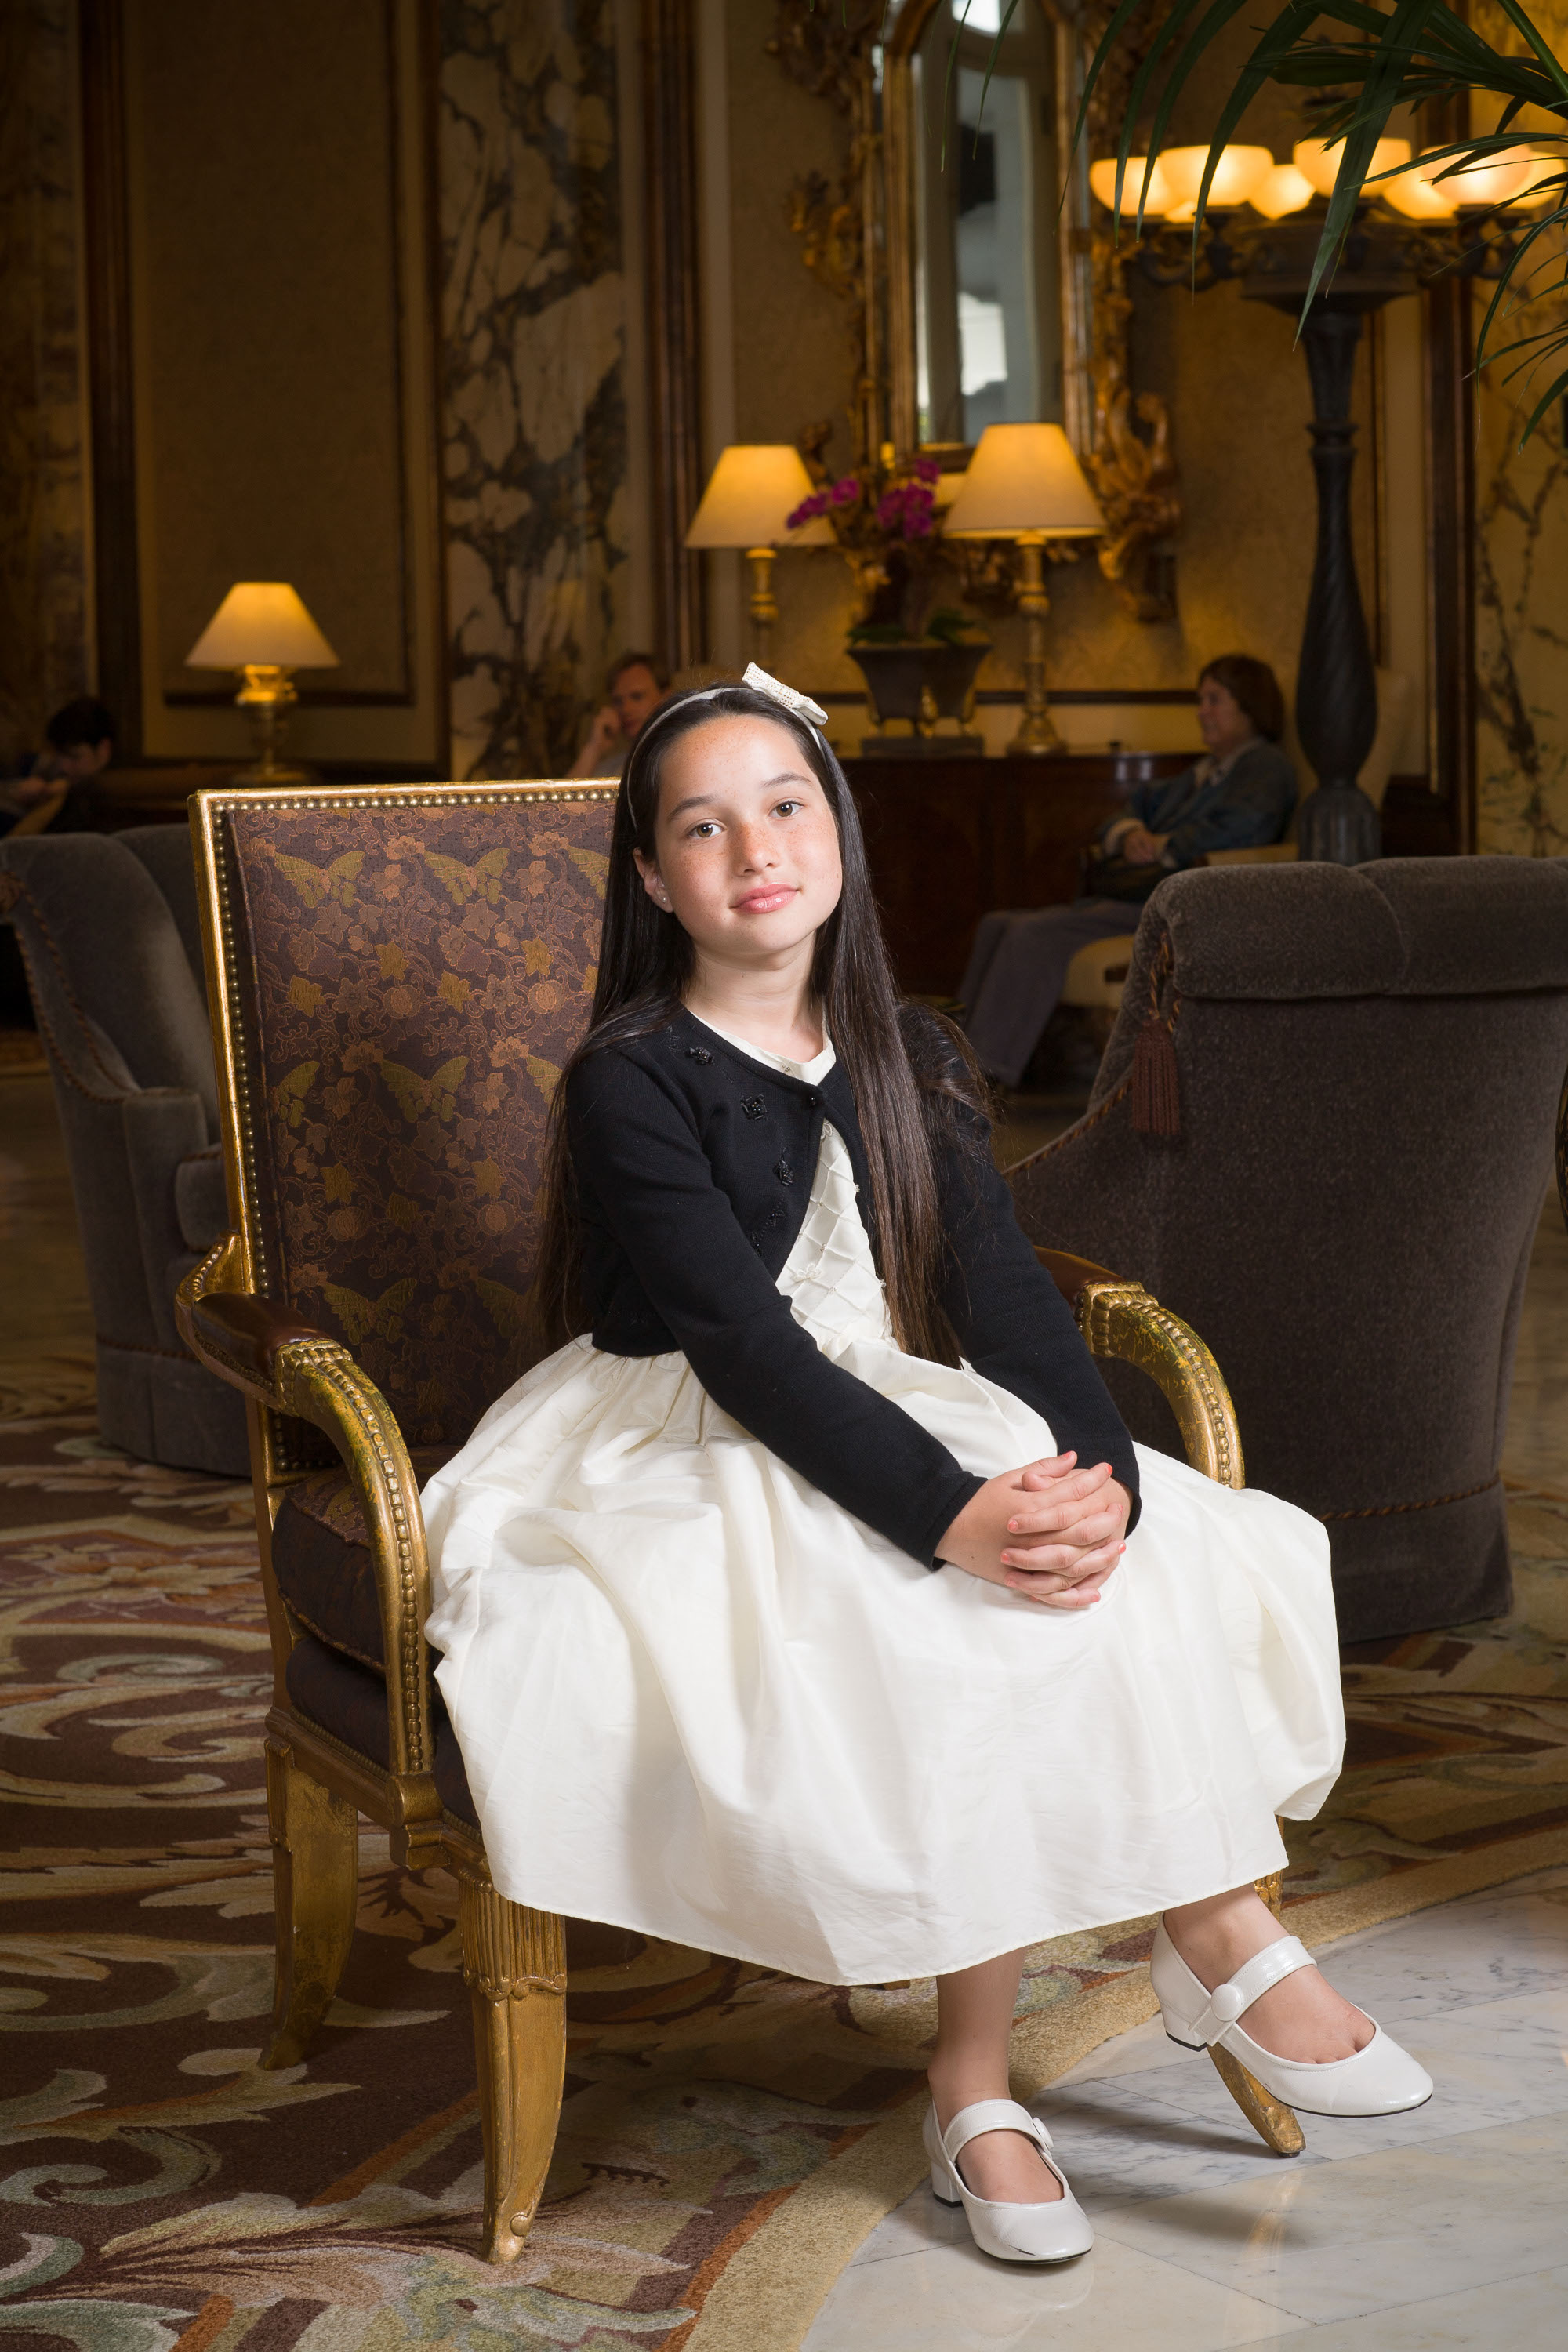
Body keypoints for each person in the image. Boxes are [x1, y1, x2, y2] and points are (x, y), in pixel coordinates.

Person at [423, 665, 1428, 2268]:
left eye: (784, 804)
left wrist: (1092, 1468)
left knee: (1134, 1551)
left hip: (886, 1390)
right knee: (944, 1600)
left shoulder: (911, 1045)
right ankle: (1101, 2005)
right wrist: (951, 1514)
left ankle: (1125, 1980)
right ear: (651, 877)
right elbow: (744, 1352)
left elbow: (999, 1283)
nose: (753, 847)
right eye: (701, 825)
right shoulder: (633, 1075)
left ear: (838, 832)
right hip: (685, 1425)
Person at [960, 655, 1296, 1091]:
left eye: (1215, 700)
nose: (1201, 711)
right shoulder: (1202, 773)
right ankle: (946, 1059)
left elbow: (1245, 828)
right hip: (1134, 895)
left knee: (1031, 934)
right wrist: (1129, 831)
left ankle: (980, 1080)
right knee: (996, 923)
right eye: (1201, 700)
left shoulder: (1265, 767)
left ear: (1251, 707)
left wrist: (1163, 846)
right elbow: (1131, 808)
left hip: (1176, 904)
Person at [0, 698, 117, 837]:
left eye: (74, 757)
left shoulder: (106, 796)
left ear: (104, 749)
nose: (64, 766)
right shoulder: (42, 770)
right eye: (59, 755)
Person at [567, 652, 668, 779]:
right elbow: (564, 796)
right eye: (618, 701)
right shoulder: (611, 770)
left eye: (637, 697)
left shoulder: (684, 757)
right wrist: (594, 747)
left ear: (666, 697)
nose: (626, 709)